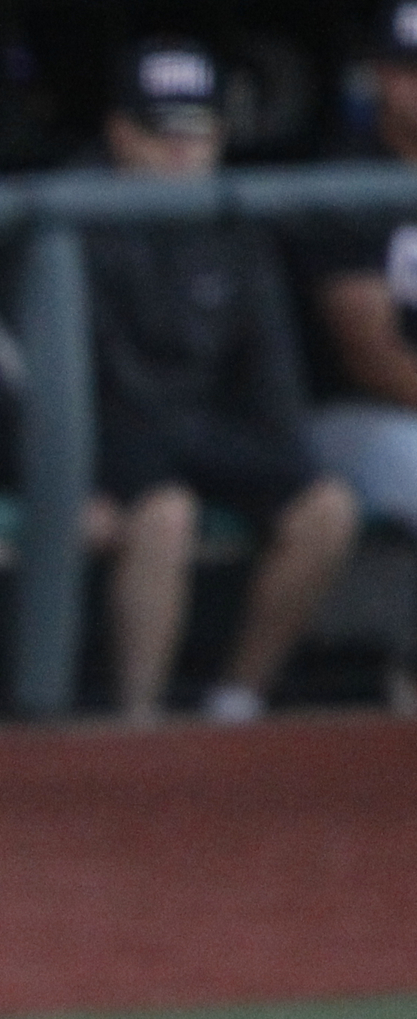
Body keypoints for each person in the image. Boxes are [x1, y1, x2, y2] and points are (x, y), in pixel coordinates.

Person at [84, 35, 357, 723]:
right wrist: (69, 483)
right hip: (114, 443)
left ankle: (235, 703)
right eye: (160, 133)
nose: (181, 150)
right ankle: (139, 721)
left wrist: (283, 458)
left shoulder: (234, 222)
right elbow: (25, 389)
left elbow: (272, 381)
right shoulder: (74, 216)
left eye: (197, 131)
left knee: (326, 508)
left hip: (203, 433)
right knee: (167, 513)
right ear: (120, 133)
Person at [294, 5, 417, 592]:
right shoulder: (347, 173)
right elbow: (373, 358)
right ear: (381, 77)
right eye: (409, 69)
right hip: (351, 414)